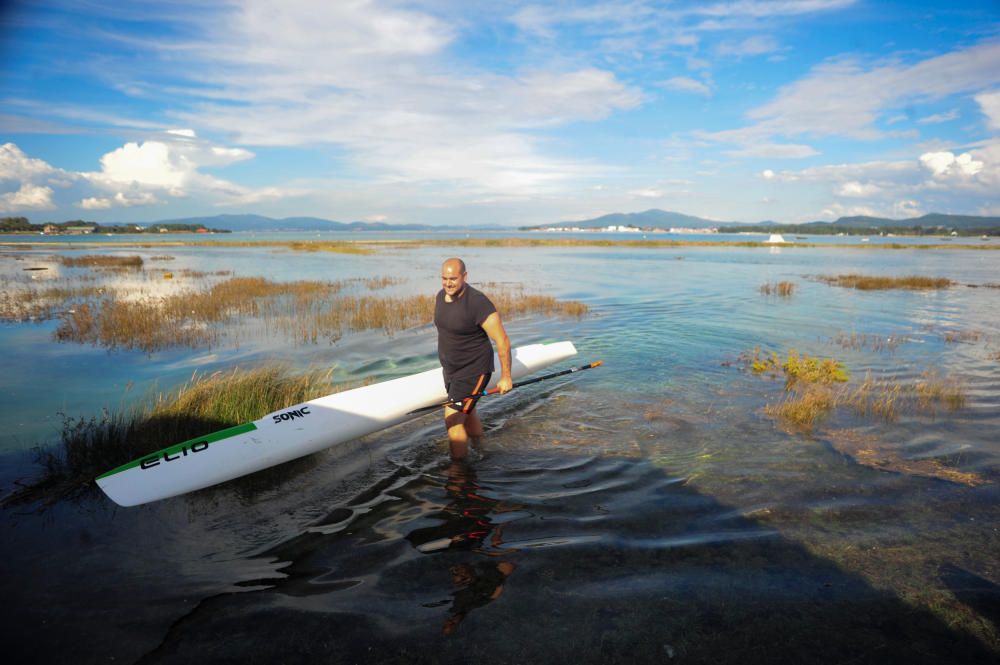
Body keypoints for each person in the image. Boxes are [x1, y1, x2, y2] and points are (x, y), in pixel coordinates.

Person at [434, 258, 512, 460]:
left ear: (465, 276)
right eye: (444, 278)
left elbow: (502, 340)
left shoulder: (478, 302)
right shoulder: (440, 297)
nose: (448, 283)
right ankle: (481, 450)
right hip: (451, 371)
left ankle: (459, 475)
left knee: (453, 421)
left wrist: (506, 377)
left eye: (453, 278)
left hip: (473, 370)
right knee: (468, 413)